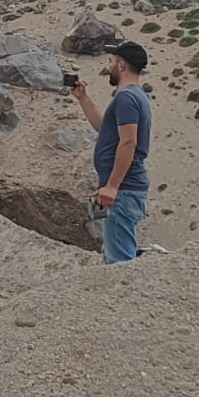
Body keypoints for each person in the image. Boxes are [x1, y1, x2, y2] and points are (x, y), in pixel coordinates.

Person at [70, 40, 153, 264]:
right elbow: (104, 129)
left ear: (122, 65)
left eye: (112, 61)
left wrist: (112, 186)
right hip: (124, 189)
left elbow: (128, 142)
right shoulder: (132, 96)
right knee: (115, 252)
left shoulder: (126, 98)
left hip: (123, 190)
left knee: (119, 262)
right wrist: (83, 99)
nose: (109, 66)